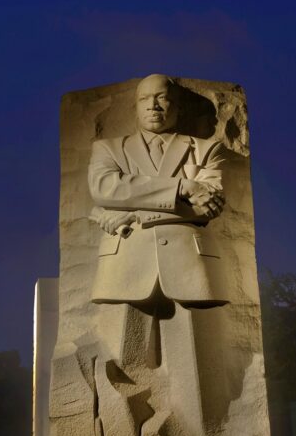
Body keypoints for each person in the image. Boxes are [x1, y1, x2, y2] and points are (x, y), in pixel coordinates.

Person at [88, 74, 228, 309]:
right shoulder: (108, 148)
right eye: (145, 99)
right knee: (127, 341)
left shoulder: (207, 149)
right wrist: (183, 186)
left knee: (191, 341)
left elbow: (207, 208)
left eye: (162, 98)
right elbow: (105, 189)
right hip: (125, 260)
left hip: (189, 263)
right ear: (136, 106)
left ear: (178, 107)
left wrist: (136, 215)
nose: (153, 106)